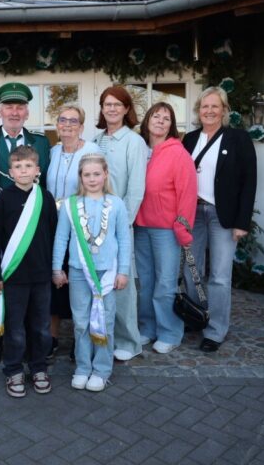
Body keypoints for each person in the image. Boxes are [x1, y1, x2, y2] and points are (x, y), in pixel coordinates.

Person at [0, 82, 51, 365]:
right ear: (0, 111)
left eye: (20, 107)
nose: (14, 112)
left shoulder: (40, 142)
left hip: (29, 228)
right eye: (9, 107)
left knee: (27, 287)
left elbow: (45, 186)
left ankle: (25, 344)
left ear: (27, 112)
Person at [182, 86, 257, 353]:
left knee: (220, 277)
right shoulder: (189, 140)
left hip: (222, 216)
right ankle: (195, 317)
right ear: (198, 111)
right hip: (193, 215)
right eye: (205, 106)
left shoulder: (238, 139)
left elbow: (249, 182)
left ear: (224, 110)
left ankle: (215, 330)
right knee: (192, 271)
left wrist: (242, 222)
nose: (210, 111)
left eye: (215, 106)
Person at [52, 153, 131, 391]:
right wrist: (57, 267)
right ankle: (83, 367)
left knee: (105, 321)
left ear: (105, 174)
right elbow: (61, 238)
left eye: (97, 174)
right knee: (81, 321)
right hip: (78, 271)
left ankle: (102, 369)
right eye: (87, 174)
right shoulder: (70, 205)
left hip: (107, 272)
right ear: (80, 177)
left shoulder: (116, 204)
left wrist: (124, 271)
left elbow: (124, 239)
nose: (92, 179)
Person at [0, 145, 57, 398]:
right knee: (15, 328)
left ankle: (38, 368)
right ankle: (13, 369)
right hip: (13, 277)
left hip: (41, 277)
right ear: (10, 171)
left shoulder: (45, 198)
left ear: (37, 170)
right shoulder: (3, 200)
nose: (23, 170)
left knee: (41, 327)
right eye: (18, 166)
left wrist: (56, 268)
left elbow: (54, 234)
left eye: (28, 166)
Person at [134, 102, 197, 354]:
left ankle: (170, 332)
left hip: (167, 231)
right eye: (156, 116)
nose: (160, 121)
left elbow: (187, 194)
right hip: (141, 227)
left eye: (166, 118)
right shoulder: (140, 150)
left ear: (171, 126)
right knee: (146, 283)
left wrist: (183, 228)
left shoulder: (178, 153)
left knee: (165, 283)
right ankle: (148, 328)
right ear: (147, 120)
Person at [93, 86, 147, 361]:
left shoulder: (134, 142)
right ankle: (102, 336)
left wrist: (119, 224)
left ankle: (129, 341)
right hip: (92, 223)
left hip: (118, 225)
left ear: (127, 109)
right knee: (96, 282)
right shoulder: (95, 139)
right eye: (107, 104)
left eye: (117, 104)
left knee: (121, 282)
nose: (111, 109)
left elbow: (136, 189)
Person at [46, 105, 99, 359]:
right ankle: (52, 337)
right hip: (54, 228)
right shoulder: (52, 151)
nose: (67, 124)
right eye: (62, 120)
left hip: (80, 228)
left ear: (81, 125)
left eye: (73, 120)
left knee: (80, 284)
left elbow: (98, 187)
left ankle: (82, 340)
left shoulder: (91, 151)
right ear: (57, 124)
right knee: (54, 286)